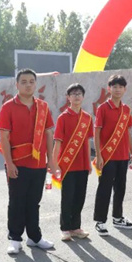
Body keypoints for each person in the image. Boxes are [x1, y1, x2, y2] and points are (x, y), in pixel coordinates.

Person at [0, 68, 55, 254]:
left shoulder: (43, 107)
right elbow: (4, 137)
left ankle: (34, 237)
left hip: (38, 163)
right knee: (17, 201)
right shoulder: (8, 107)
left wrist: (51, 160)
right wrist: (9, 163)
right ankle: (15, 238)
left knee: (34, 201)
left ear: (35, 84)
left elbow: (48, 134)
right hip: (18, 163)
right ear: (17, 84)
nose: (28, 85)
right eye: (24, 82)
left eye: (31, 81)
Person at [93, 74, 132, 236]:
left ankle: (118, 217)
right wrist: (98, 155)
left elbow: (126, 132)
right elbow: (97, 133)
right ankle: (100, 221)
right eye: (114, 87)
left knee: (120, 188)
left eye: (120, 87)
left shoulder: (126, 109)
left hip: (123, 156)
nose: (117, 90)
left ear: (125, 89)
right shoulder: (103, 108)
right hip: (107, 156)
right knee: (104, 188)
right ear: (109, 89)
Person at [52, 83, 93, 241]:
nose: (76, 96)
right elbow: (58, 142)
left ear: (83, 97)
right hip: (67, 164)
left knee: (80, 196)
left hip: (82, 164)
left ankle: (76, 227)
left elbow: (87, 142)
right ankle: (65, 228)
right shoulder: (63, 117)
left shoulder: (87, 118)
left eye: (79, 94)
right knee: (67, 197)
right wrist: (55, 164)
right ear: (68, 97)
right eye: (73, 94)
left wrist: (89, 162)